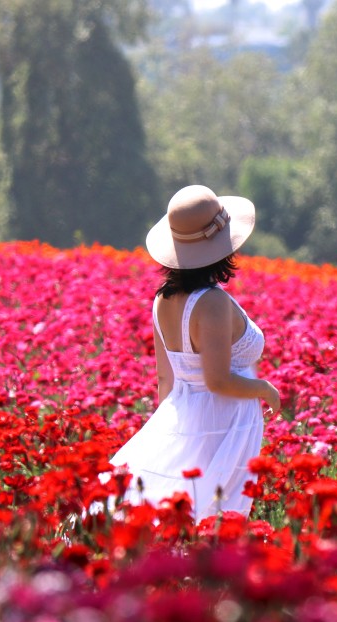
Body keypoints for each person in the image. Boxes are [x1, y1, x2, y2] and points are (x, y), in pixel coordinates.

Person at [109, 185, 281, 519]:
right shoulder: (213, 303)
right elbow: (216, 381)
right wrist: (264, 389)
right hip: (225, 421)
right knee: (213, 515)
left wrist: (177, 430)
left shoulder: (162, 299)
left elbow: (165, 377)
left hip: (186, 413)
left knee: (181, 507)